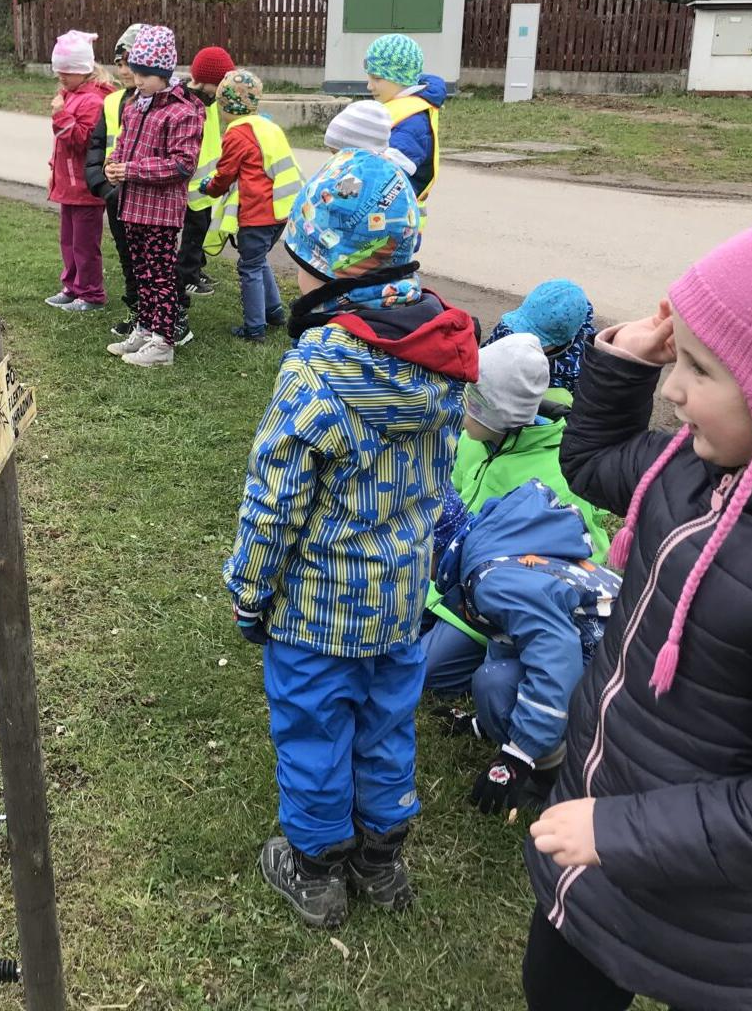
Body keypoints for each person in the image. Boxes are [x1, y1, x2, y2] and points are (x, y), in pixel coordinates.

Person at [522, 216, 752, 1011]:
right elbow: (594, 462)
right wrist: (626, 359)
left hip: (718, 926)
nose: (674, 391)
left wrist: (616, 832)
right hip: (596, 839)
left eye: (700, 369)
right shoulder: (689, 470)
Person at [224, 148, 479, 929]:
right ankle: (382, 855)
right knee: (384, 720)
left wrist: (247, 593)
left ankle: (316, 867)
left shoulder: (316, 376)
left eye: (302, 264)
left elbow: (273, 506)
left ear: (328, 272)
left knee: (315, 727)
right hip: (402, 599)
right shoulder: (442, 359)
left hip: (316, 613)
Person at [424, 479, 622, 814]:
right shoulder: (490, 550)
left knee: (494, 682)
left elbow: (557, 654)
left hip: (617, 670)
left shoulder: (491, 580)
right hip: (610, 649)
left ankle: (555, 775)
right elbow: (513, 639)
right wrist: (488, 722)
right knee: (494, 680)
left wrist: (520, 752)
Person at [449, 333, 611, 560]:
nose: (462, 407)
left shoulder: (560, 477)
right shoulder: (472, 440)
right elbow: (455, 493)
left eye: (475, 402)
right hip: (461, 554)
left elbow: (583, 554)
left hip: (502, 576)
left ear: (503, 413)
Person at [104, 25, 204, 368]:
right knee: (141, 271)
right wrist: (113, 165)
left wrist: (131, 169)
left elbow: (182, 164)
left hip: (160, 211)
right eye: (136, 71)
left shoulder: (182, 111)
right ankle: (145, 329)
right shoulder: (134, 105)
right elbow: (122, 145)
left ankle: (163, 342)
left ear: (164, 73)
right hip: (132, 205)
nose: (138, 78)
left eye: (146, 74)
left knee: (160, 274)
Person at [197, 69, 303, 342]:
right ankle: (275, 311)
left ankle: (255, 328)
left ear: (224, 104)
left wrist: (209, 187)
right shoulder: (267, 126)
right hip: (280, 210)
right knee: (259, 261)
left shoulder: (237, 134)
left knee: (249, 268)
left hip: (256, 213)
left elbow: (224, 175)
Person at [45, 30, 115, 313]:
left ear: (84, 70)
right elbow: (61, 147)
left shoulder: (92, 101)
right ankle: (72, 286)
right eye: (59, 71)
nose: (61, 76)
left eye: (68, 71)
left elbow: (83, 141)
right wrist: (53, 168)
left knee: (85, 244)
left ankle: (91, 294)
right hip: (69, 184)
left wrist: (60, 116)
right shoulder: (71, 94)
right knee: (69, 240)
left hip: (85, 187)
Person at [86, 24, 143, 336]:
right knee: (127, 257)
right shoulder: (113, 102)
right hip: (116, 196)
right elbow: (96, 146)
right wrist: (103, 187)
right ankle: (136, 312)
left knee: (152, 261)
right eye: (119, 63)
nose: (123, 70)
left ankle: (164, 317)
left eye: (129, 62)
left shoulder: (164, 102)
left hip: (148, 198)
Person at [363, 33, 446, 216]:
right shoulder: (402, 110)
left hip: (394, 223)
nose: (369, 86)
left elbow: (390, 173)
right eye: (369, 78)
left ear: (400, 77)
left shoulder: (413, 123)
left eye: (377, 78)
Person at [178, 45, 236, 304]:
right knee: (194, 229)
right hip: (190, 183)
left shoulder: (209, 101)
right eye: (220, 83)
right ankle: (187, 276)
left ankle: (197, 268)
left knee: (202, 227)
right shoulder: (188, 102)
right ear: (206, 81)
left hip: (206, 179)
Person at [485, 279, 597, 396]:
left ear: (562, 343)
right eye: (520, 329)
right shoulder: (506, 330)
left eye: (536, 338)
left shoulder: (576, 370)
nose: (521, 339)